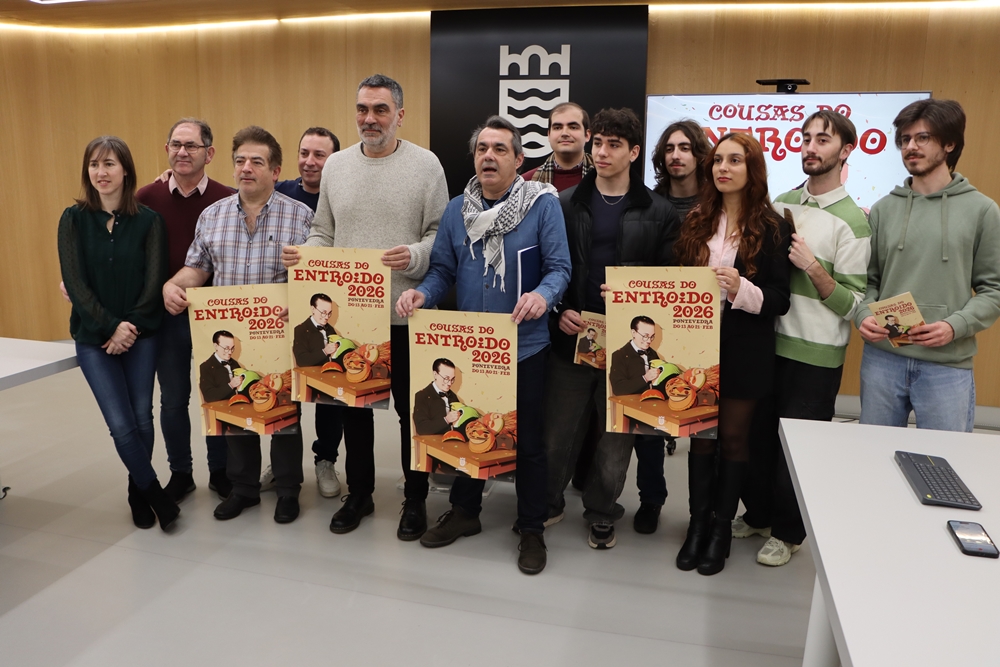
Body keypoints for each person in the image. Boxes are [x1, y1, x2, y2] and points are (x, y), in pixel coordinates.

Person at [396, 115, 571, 574]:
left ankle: (531, 527)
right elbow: (442, 271)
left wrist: (543, 295)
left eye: (499, 149)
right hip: (471, 347)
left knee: (527, 440)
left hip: (525, 345)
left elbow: (559, 268)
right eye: (482, 149)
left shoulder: (542, 205)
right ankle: (465, 512)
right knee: (470, 431)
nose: (488, 156)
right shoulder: (458, 210)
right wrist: (423, 294)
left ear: (519, 159)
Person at [282, 74, 448, 540]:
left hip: (406, 312)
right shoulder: (336, 165)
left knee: (413, 413)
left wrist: (414, 254)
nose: (369, 118)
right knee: (354, 411)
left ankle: (415, 498)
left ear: (400, 114)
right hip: (351, 316)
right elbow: (324, 231)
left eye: (379, 109)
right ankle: (360, 494)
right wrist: (306, 255)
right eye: (362, 109)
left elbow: (441, 235)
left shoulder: (427, 165)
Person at [736, 110, 871, 567]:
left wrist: (813, 267)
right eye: (806, 138)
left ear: (846, 150)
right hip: (767, 343)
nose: (811, 147)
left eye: (823, 140)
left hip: (815, 356)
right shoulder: (781, 204)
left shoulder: (854, 222)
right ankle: (758, 515)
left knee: (798, 451)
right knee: (758, 440)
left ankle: (789, 533)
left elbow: (855, 305)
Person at [545, 107, 680, 549]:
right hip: (574, 334)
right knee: (558, 431)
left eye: (614, 145)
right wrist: (559, 309)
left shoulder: (659, 211)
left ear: (634, 152)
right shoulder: (565, 203)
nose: (602, 152)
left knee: (615, 438)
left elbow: (669, 282)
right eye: (598, 143)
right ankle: (548, 502)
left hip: (628, 343)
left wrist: (632, 296)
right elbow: (550, 268)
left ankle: (602, 511)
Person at [163, 126, 313, 525]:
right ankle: (243, 488)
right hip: (229, 336)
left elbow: (314, 279)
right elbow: (197, 269)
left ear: (275, 171)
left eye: (256, 162)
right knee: (235, 409)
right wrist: (172, 285)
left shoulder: (301, 217)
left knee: (283, 416)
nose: (246, 168)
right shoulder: (212, 216)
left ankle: (287, 489)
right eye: (240, 161)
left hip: (278, 334)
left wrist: (299, 303)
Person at [673, 132, 791, 576]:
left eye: (734, 160)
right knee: (701, 437)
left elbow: (780, 299)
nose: (723, 167)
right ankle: (697, 526)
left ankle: (722, 529)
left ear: (752, 168)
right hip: (696, 347)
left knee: (735, 438)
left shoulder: (774, 226)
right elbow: (672, 283)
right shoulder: (696, 219)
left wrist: (743, 288)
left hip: (746, 348)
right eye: (718, 160)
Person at [855, 99, 1000, 432]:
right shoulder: (883, 209)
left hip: (947, 365)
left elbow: (994, 290)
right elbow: (867, 282)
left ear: (949, 144)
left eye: (923, 138)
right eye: (905, 139)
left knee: (944, 460)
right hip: (882, 359)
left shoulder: (982, 210)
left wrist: (955, 325)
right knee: (872, 453)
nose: (911, 147)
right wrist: (863, 315)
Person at [57, 136, 178, 531]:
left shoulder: (149, 221)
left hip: (142, 335)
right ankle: (154, 492)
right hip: (93, 338)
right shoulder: (72, 219)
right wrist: (111, 327)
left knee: (142, 416)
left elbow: (154, 282)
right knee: (120, 423)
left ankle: (135, 491)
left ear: (125, 170)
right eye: (94, 165)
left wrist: (130, 327)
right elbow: (75, 283)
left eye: (109, 164)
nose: (101, 172)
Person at [136, 118, 234, 503]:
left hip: (218, 318)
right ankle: (181, 473)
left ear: (209, 153)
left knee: (219, 396)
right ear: (167, 150)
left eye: (191, 145)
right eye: (176, 144)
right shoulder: (146, 197)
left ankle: (221, 472)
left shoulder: (228, 198)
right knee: (173, 400)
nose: (182, 152)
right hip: (169, 316)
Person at [267, 128, 344, 498]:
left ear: (335, 160)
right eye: (304, 153)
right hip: (285, 311)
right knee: (286, 391)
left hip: (329, 309)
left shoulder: (343, 194)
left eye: (319, 155)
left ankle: (325, 459)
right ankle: (282, 464)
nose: (310, 162)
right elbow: (239, 193)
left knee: (329, 390)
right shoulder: (279, 192)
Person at [522, 102, 594, 190]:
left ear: (587, 135)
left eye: (573, 127)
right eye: (557, 128)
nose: (564, 133)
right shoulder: (526, 184)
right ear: (549, 135)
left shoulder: (605, 178)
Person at [651, 119, 713, 221]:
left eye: (684, 148)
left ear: (700, 156)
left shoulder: (714, 205)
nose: (675, 156)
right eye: (669, 149)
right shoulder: (650, 204)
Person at [412, 359, 461, 436]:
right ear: (435, 374)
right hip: (432, 442)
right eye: (446, 378)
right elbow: (421, 428)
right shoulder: (422, 396)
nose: (449, 383)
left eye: (452, 379)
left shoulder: (453, 396)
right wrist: (446, 420)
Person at [292, 293, 339, 367]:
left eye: (329, 313)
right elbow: (301, 360)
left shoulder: (330, 329)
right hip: (311, 373)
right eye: (323, 312)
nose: (327, 317)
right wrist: (325, 352)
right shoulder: (301, 330)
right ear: (313, 309)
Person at [199, 331, 242, 403]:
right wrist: (230, 385)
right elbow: (209, 396)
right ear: (216, 346)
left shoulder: (234, 363)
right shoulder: (206, 367)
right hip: (220, 407)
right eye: (226, 348)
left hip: (238, 404)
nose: (230, 352)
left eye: (232, 348)